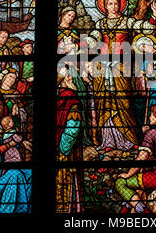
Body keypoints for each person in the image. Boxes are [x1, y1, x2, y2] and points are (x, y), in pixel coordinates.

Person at [85, 0, 156, 151]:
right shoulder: (101, 24)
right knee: (104, 103)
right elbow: (93, 38)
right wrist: (82, 47)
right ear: (104, 6)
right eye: (109, 3)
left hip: (121, 67)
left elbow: (146, 28)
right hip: (103, 67)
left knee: (124, 102)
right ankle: (107, 141)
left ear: (120, 5)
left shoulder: (127, 21)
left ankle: (129, 139)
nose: (113, 6)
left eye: (116, 3)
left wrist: (153, 16)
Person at [116, 105, 156, 213]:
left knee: (121, 182)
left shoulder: (151, 134)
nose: (149, 117)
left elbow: (141, 159)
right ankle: (131, 205)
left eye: (151, 115)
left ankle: (143, 211)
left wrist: (128, 174)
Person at [55, 68, 84, 213]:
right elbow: (73, 127)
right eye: (68, 76)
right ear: (63, 80)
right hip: (67, 150)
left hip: (58, 147)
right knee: (67, 178)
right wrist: (64, 149)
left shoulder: (59, 97)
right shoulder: (72, 100)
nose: (71, 79)